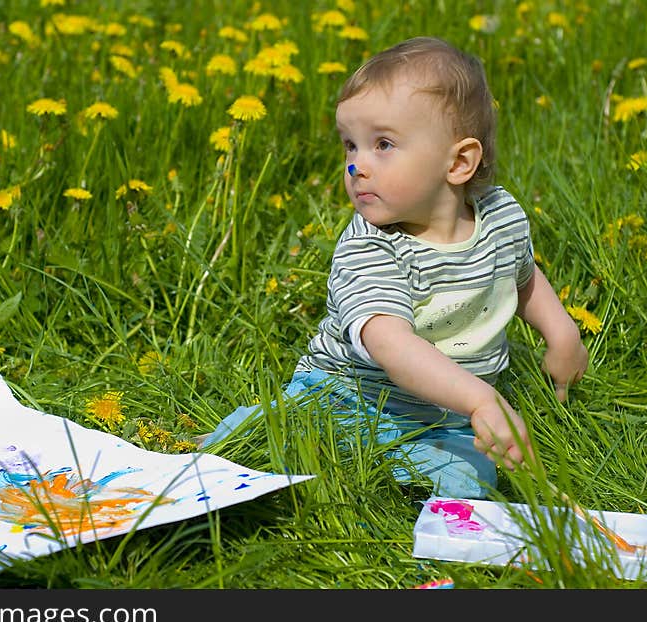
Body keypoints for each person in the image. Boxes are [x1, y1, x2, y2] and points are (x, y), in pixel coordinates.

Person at [201, 36, 589, 499]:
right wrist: (483, 399)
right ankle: (238, 442)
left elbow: (520, 275)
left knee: (470, 479)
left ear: (459, 161)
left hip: (447, 418)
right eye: (350, 146)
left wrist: (561, 332)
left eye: (382, 144)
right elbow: (392, 347)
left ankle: (385, 479)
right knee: (275, 435)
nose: (356, 166)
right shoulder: (369, 246)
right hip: (346, 396)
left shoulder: (499, 216)